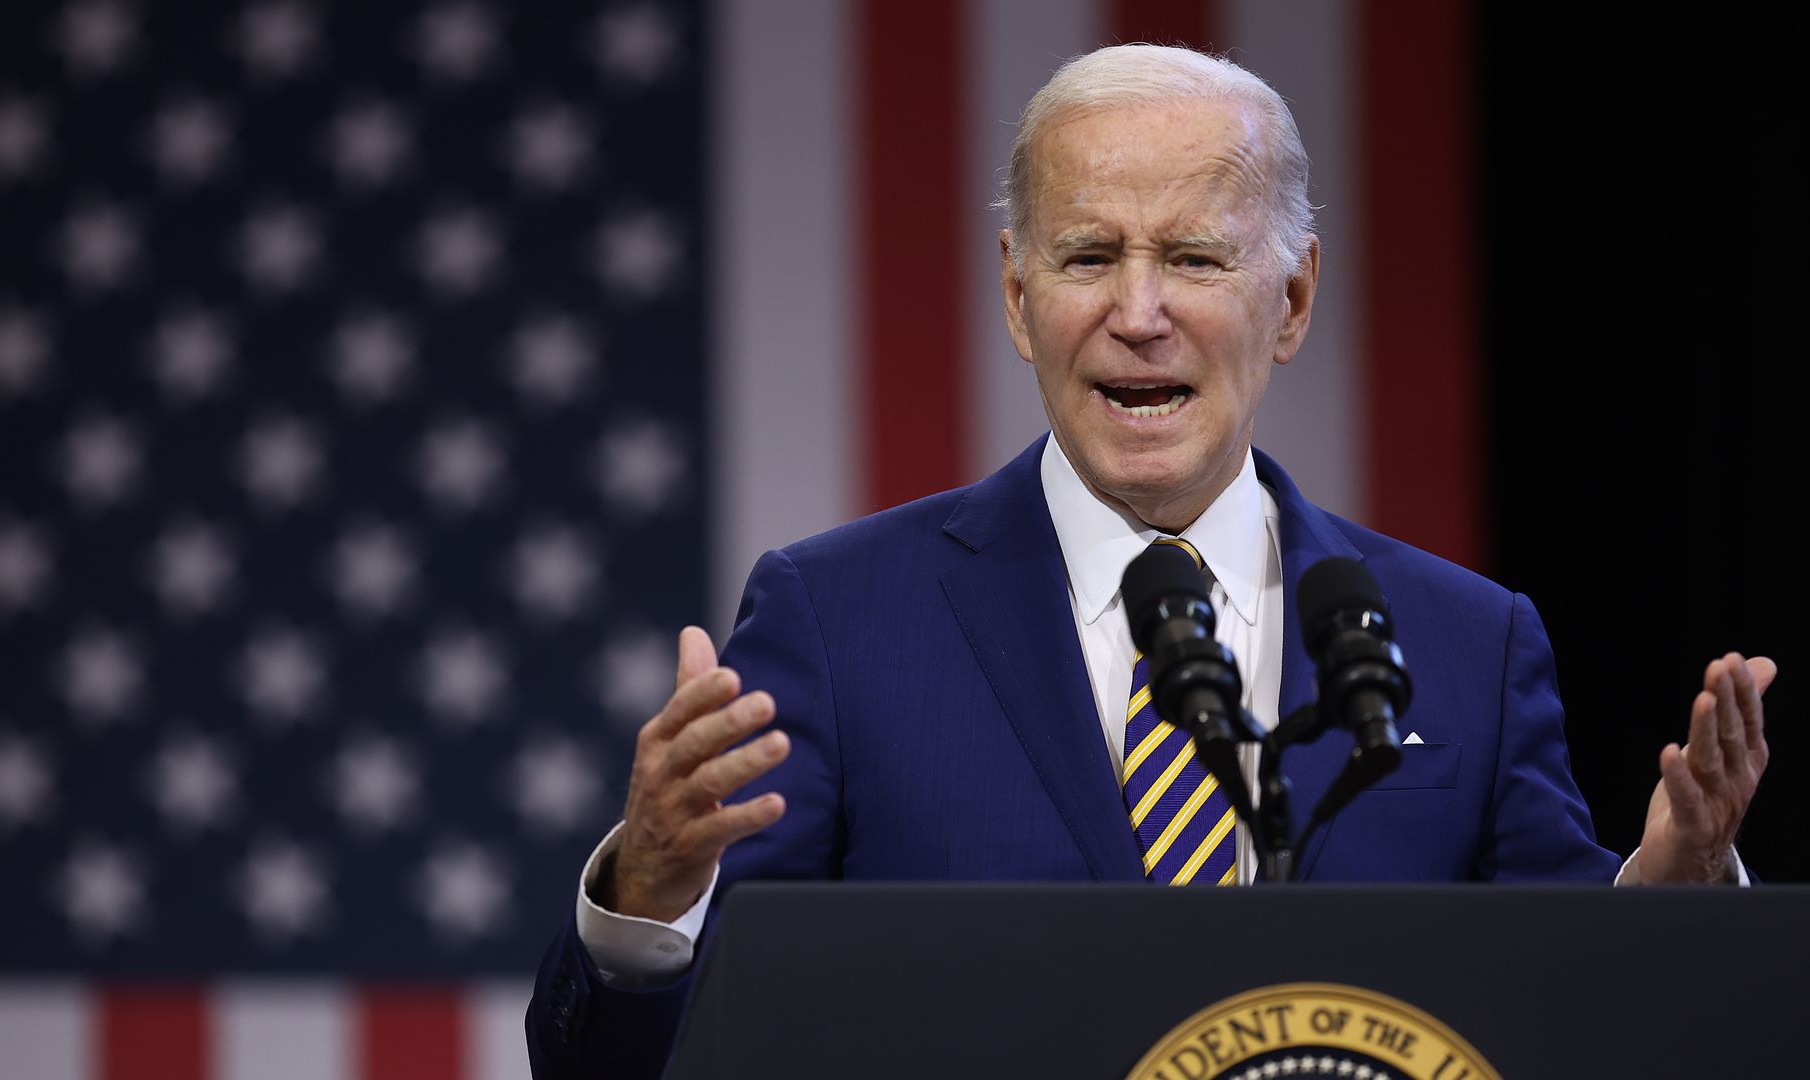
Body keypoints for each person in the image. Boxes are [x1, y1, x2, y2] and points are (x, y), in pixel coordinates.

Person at [525, 44, 1775, 1079]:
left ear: (1289, 304)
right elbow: (639, 1069)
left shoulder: (1466, 642)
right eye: (1086, 256)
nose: (1137, 311)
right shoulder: (841, 621)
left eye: (1193, 257)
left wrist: (1669, 902)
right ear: (1018, 300)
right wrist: (652, 896)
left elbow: (1577, 1032)